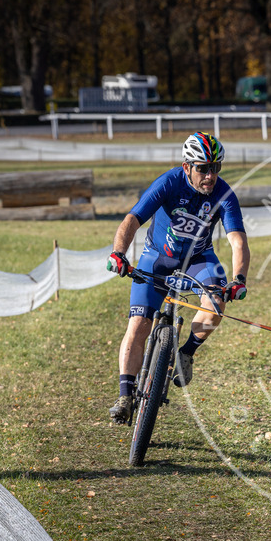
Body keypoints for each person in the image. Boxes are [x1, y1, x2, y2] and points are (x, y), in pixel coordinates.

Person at [106, 131, 250, 424]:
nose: (210, 176)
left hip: (199, 260)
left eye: (215, 168)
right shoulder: (169, 182)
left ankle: (186, 353)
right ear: (187, 167)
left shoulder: (224, 194)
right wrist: (119, 253)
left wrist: (239, 278)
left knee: (217, 305)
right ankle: (125, 395)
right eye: (202, 168)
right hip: (157, 258)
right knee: (138, 324)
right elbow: (132, 220)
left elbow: (238, 240)